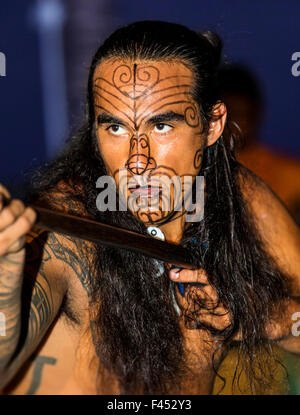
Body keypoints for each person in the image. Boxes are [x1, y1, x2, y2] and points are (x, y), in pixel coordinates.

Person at [0, 21, 299, 395]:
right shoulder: (67, 227)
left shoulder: (237, 198)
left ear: (212, 124)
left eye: (161, 126)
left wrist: (264, 316)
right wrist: (6, 274)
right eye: (115, 128)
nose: (136, 161)